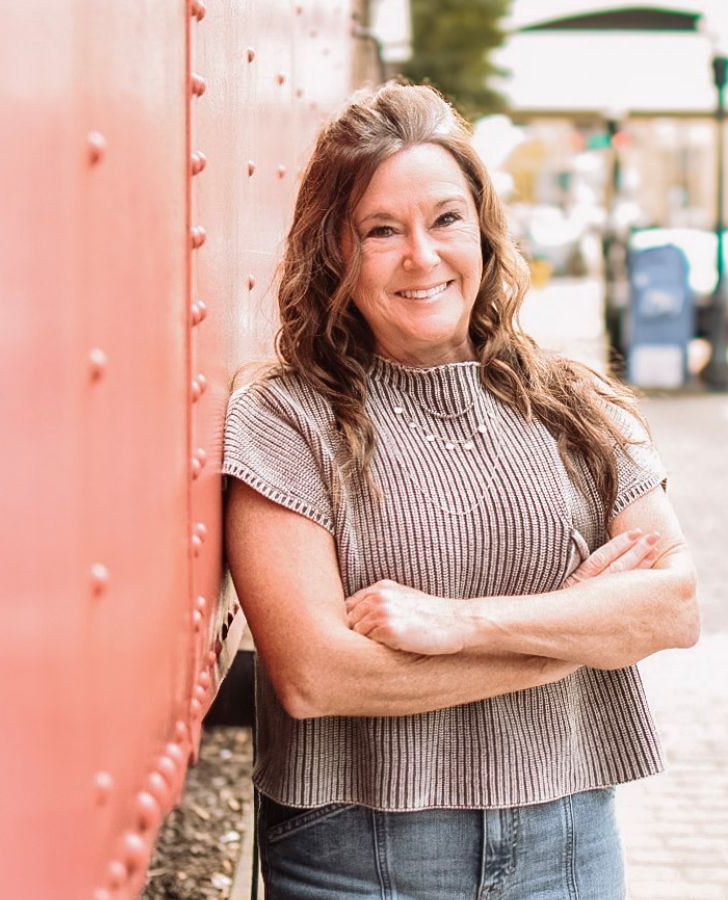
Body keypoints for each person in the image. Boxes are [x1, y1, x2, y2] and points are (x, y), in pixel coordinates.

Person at [223, 82, 699, 899]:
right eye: (382, 230)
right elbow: (316, 676)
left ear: (480, 229)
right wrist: (568, 646)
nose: (423, 255)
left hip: (569, 843)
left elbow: (673, 607)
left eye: (445, 219)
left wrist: (456, 624)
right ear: (334, 251)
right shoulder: (283, 419)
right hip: (360, 855)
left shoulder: (574, 402)